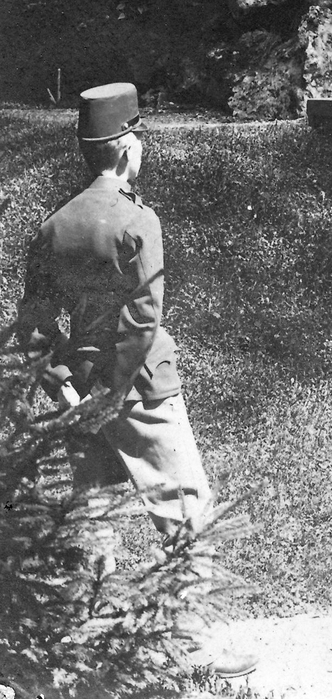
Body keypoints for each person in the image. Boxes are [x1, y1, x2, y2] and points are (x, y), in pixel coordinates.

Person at [16, 81, 256, 682]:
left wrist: (65, 384)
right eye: (139, 136)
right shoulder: (136, 221)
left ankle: (81, 642)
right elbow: (142, 319)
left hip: (80, 390)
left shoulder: (53, 226)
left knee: (91, 515)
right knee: (183, 506)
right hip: (141, 387)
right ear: (125, 147)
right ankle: (197, 644)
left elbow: (35, 324)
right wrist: (115, 391)